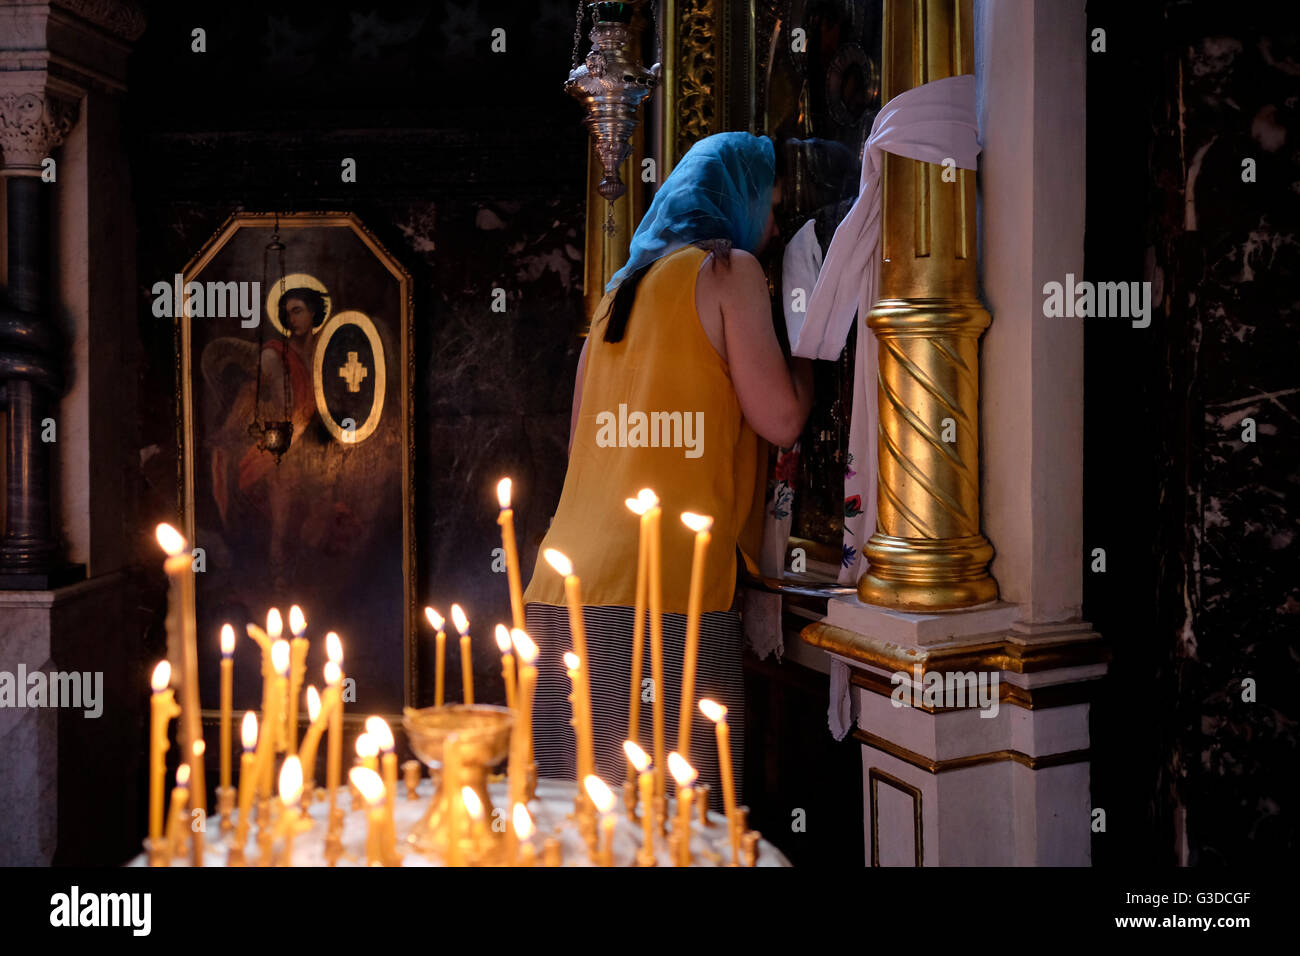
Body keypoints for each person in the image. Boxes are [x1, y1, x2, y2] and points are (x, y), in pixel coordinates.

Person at [522, 132, 814, 810]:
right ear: (734, 202)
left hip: (560, 582)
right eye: (769, 206)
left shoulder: (616, 293)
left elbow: (582, 446)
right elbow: (782, 419)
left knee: (580, 827)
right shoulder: (727, 272)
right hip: (659, 587)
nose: (773, 226)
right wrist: (809, 345)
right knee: (678, 829)